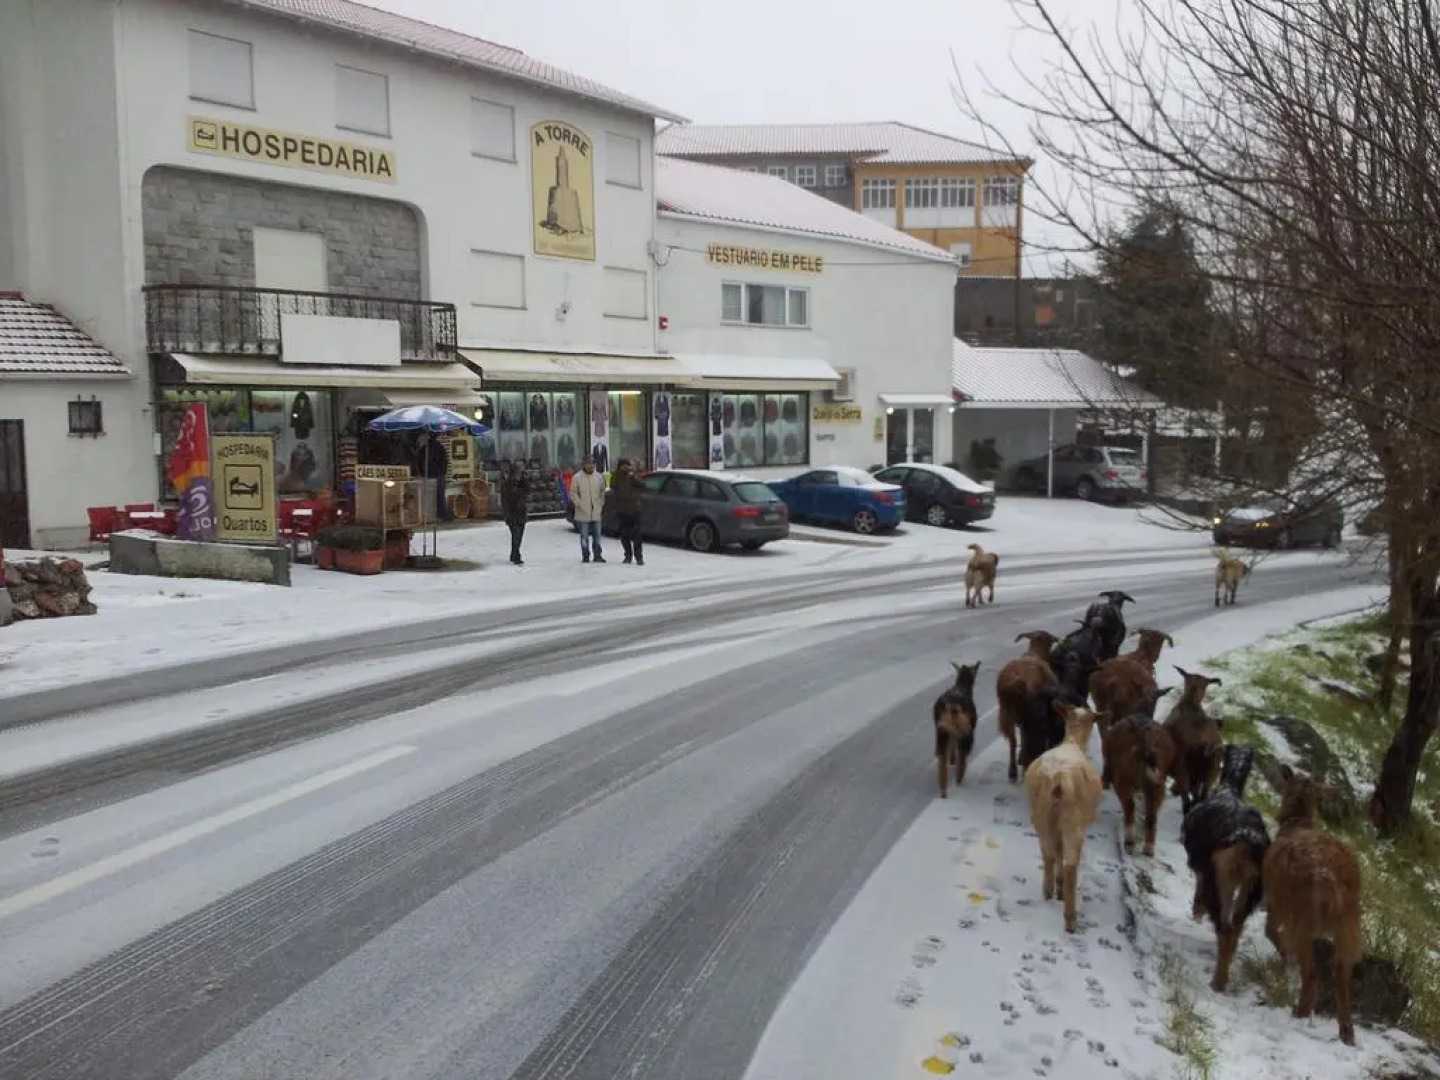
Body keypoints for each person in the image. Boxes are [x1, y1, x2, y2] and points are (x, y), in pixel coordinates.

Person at [569, 455, 607, 563]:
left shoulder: (599, 477)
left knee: (597, 537)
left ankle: (597, 555)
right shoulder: (577, 478)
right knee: (584, 537)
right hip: (583, 512)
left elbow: (602, 492)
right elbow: (573, 493)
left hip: (596, 511)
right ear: (584, 465)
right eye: (589, 464)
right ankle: (585, 555)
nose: (591, 466)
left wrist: (601, 503)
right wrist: (579, 503)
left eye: (593, 464)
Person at [610, 458, 645, 566]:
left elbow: (643, 485)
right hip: (622, 510)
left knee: (637, 535)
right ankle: (628, 556)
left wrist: (633, 476)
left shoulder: (633, 475)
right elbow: (613, 488)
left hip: (635, 509)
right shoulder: (615, 476)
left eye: (627, 465)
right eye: (623, 465)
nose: (625, 468)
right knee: (624, 535)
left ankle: (639, 557)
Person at [413, 432, 451, 522]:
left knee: (429, 497)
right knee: (440, 496)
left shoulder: (424, 449)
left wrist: (422, 473)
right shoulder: (440, 448)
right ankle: (442, 515)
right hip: (438, 475)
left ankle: (430, 515)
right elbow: (444, 463)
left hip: (429, 475)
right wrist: (442, 472)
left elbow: (418, 463)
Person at [500, 462, 529, 565]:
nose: (519, 476)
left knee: (519, 536)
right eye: (517, 473)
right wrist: (506, 514)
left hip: (521, 513)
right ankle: (517, 556)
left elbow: (528, 491)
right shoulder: (507, 484)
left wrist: (525, 480)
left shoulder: (522, 484)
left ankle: (514, 554)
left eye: (520, 473)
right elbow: (504, 500)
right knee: (516, 535)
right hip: (512, 513)